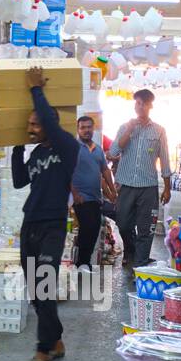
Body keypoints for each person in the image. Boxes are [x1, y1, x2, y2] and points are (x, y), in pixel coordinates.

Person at [11, 67, 79, 361]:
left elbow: (49, 121)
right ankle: (56, 338)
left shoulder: (68, 147)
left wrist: (36, 89)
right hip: (31, 224)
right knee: (35, 289)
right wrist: (15, 146)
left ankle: (43, 350)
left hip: (53, 224)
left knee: (44, 284)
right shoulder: (37, 152)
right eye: (30, 124)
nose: (33, 128)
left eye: (36, 123)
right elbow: (18, 181)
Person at [112, 89, 172, 270]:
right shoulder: (125, 127)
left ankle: (141, 263)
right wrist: (130, 130)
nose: (140, 107)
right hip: (126, 185)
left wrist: (167, 187)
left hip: (148, 187)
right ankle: (130, 251)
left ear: (150, 106)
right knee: (123, 224)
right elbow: (114, 151)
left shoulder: (159, 130)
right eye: (137, 103)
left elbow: (165, 159)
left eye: (143, 104)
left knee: (146, 228)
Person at [71, 114, 117, 270]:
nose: (86, 130)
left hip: (96, 198)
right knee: (87, 229)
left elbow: (104, 171)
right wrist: (75, 194)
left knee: (94, 229)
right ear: (77, 130)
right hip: (81, 198)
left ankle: (84, 262)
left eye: (89, 127)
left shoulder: (98, 150)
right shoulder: (73, 148)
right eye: (82, 128)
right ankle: (82, 263)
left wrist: (112, 192)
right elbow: (67, 172)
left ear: (93, 128)